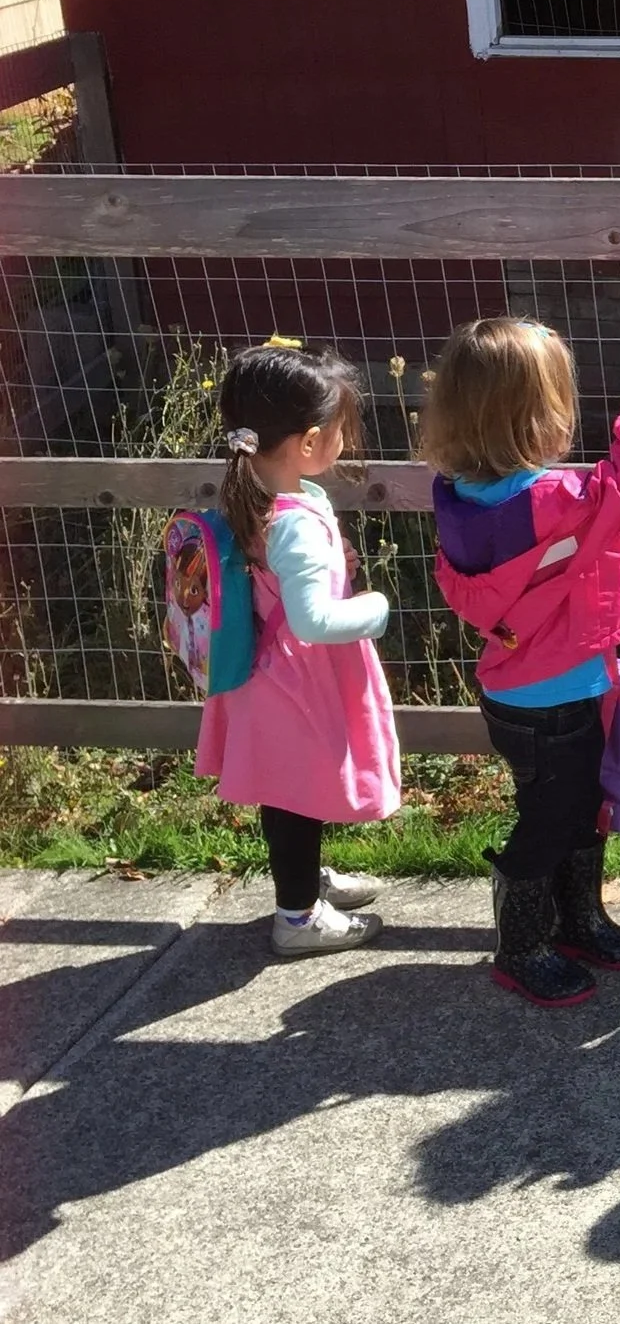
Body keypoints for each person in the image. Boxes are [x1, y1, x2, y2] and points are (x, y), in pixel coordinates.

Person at [426, 318, 620, 1007]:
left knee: (579, 805)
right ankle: (523, 943)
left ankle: (579, 919)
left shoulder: (460, 496)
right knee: (550, 819)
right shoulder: (552, 504)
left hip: (532, 691)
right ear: (539, 416)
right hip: (555, 702)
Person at [195, 339, 401, 956]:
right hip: (296, 680)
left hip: (265, 672)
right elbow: (312, 622)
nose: (347, 440)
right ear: (310, 443)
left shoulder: (253, 490)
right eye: (342, 429)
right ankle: (297, 916)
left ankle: (303, 884)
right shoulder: (295, 523)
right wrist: (375, 609)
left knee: (287, 790)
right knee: (295, 797)